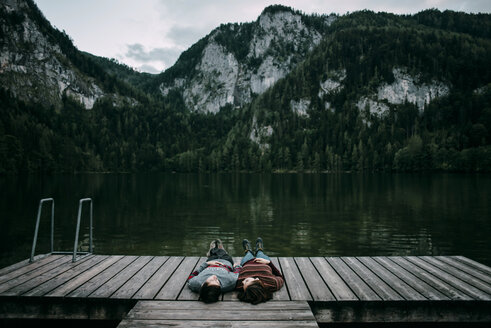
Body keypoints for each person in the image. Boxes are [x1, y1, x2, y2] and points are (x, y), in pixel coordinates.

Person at [187, 239, 240, 303]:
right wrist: (236, 266)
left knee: (213, 254)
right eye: (217, 282)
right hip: (225, 262)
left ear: (203, 284)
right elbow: (237, 274)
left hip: (211, 262)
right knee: (224, 254)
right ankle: (221, 249)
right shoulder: (230, 282)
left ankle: (213, 249)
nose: (215, 277)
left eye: (211, 280)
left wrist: (206, 264)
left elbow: (191, 276)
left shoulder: (195, 283)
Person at [235, 237, 284, 304]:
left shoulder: (239, 285)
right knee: (260, 254)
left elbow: (235, 274)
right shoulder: (272, 283)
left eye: (243, 285)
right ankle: (259, 249)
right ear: (257, 280)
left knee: (248, 254)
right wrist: (269, 263)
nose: (243, 282)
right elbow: (280, 277)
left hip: (247, 262)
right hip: (263, 261)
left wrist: (237, 267)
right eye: (246, 281)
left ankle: (248, 250)